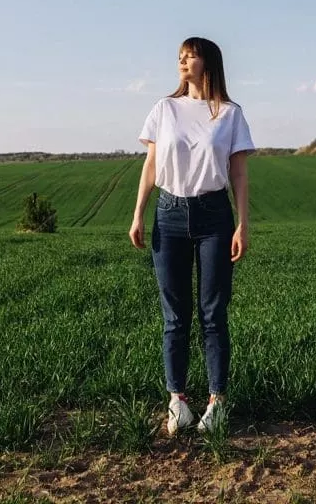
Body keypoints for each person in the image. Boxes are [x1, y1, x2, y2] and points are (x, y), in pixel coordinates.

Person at [128, 36, 256, 435]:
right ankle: (177, 401)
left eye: (191, 55)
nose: (183, 61)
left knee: (213, 314)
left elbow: (238, 172)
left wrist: (242, 223)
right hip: (169, 214)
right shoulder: (164, 109)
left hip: (214, 215)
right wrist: (138, 214)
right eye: (180, 56)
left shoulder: (230, 114)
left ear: (209, 62)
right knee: (174, 316)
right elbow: (151, 164)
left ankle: (217, 401)